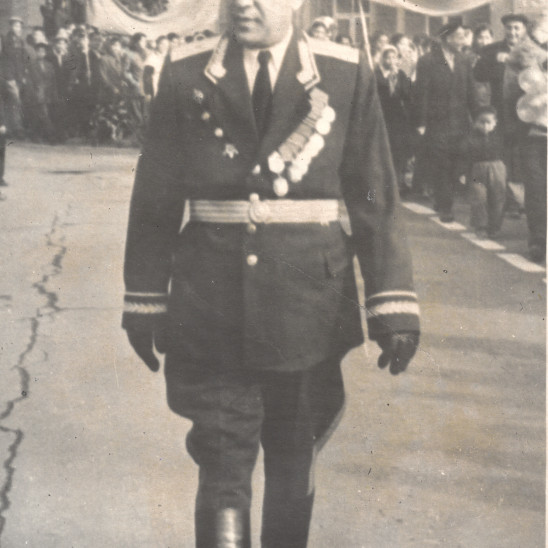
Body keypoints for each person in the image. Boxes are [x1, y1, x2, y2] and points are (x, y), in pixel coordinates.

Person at [122, 0, 421, 545]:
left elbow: (374, 194)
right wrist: (143, 297)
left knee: (292, 456)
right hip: (211, 304)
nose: (243, 3)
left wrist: (393, 301)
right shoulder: (186, 71)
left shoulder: (344, 72)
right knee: (222, 458)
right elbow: (155, 196)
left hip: (307, 308)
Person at [413, 22, 475, 222]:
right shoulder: (427, 61)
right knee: (442, 164)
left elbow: (471, 90)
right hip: (437, 122)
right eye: (460, 36)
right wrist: (421, 123)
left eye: (464, 36)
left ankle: (442, 199)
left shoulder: (464, 60)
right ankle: (446, 206)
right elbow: (421, 93)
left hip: (460, 122)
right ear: (447, 38)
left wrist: (478, 117)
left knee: (457, 163)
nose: (463, 40)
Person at [473, 14, 530, 219]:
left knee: (524, 157)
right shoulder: (492, 50)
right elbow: (478, 74)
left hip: (528, 114)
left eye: (517, 28)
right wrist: (493, 62)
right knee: (504, 156)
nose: (512, 32)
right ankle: (509, 201)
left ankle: (526, 201)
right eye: (509, 28)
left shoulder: (533, 50)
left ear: (524, 29)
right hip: (502, 112)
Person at [458, 106, 506, 238]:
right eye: (481, 122)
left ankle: (494, 226)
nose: (485, 126)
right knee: (478, 197)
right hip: (476, 170)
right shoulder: (469, 138)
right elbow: (463, 156)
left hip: (497, 168)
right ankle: (481, 226)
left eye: (488, 122)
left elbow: (508, 154)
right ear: (474, 123)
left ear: (495, 123)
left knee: (498, 198)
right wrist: (462, 172)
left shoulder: (500, 137)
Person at [375, 45, 415, 193]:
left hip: (397, 117)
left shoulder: (401, 74)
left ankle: (398, 182)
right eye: (388, 57)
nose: (391, 60)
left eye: (394, 57)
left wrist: (396, 78)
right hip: (382, 115)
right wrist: (389, 79)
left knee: (399, 150)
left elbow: (407, 94)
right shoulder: (376, 73)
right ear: (382, 59)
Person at [0, 16, 28, 137]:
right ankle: (16, 128)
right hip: (8, 76)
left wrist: (23, 75)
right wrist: (9, 77)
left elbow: (23, 60)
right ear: (11, 27)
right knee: (15, 100)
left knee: (13, 102)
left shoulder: (21, 42)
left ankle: (11, 129)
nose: (18, 28)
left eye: (19, 26)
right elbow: (4, 60)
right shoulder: (5, 40)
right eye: (16, 26)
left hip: (18, 76)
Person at [26, 40, 57, 143]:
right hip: (36, 93)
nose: (41, 53)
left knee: (42, 114)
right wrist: (34, 93)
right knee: (43, 113)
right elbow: (30, 81)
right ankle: (51, 136)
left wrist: (53, 94)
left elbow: (53, 81)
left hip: (48, 93)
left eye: (43, 51)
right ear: (36, 52)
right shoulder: (31, 65)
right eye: (39, 51)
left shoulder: (49, 65)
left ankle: (36, 135)